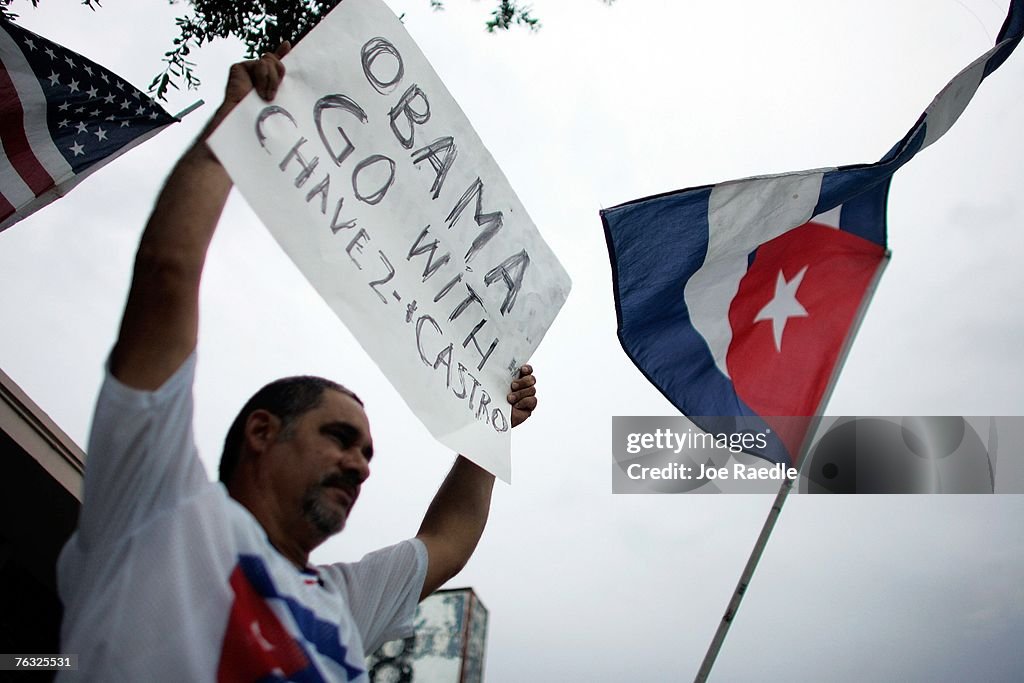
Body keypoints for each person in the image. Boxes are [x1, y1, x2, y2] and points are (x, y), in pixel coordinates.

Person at [56, 44, 538, 681]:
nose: (360, 466)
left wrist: (489, 422)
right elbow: (168, 278)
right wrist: (232, 128)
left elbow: (446, 543)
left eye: (366, 453)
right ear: (262, 432)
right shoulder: (161, 509)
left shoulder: (340, 604)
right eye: (341, 438)